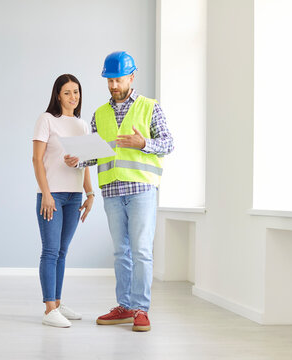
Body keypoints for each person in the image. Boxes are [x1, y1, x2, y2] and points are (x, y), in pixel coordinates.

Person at [65, 51, 174, 332]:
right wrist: (79, 159)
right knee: (120, 253)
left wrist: (143, 144)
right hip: (112, 191)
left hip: (140, 189)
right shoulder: (99, 114)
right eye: (109, 80)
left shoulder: (150, 107)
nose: (113, 85)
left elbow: (169, 143)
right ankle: (124, 306)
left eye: (118, 79)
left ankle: (141, 309)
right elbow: (97, 154)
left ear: (131, 77)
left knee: (141, 251)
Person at [32, 74, 95, 328]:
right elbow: (37, 160)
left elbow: (87, 163)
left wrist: (90, 194)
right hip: (53, 195)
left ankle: (57, 303)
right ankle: (49, 310)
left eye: (76, 92)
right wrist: (46, 193)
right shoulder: (46, 120)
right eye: (67, 92)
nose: (73, 97)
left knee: (62, 251)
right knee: (50, 251)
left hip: (74, 195)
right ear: (58, 95)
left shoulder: (82, 126)